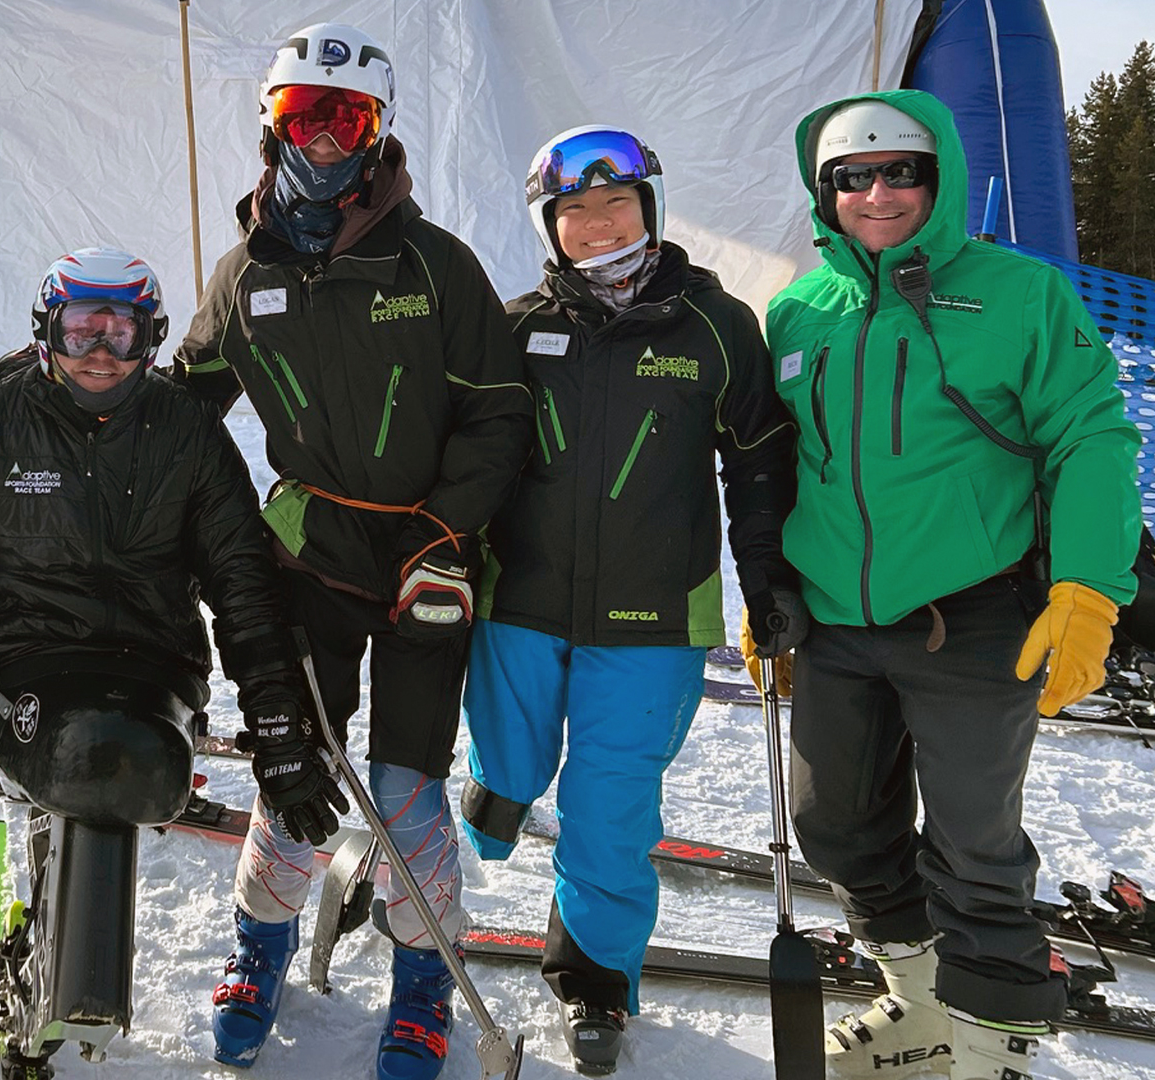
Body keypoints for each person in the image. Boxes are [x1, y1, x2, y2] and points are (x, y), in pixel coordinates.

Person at [754, 90, 1139, 1080]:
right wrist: (772, 590)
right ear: (824, 192)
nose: (877, 194)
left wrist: (1089, 589)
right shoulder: (801, 309)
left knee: (974, 842)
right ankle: (923, 1004)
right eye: (852, 177)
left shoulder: (1019, 294)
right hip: (839, 622)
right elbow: (784, 466)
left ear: (940, 178)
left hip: (973, 615)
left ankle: (994, 1042)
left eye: (901, 172)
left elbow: (1091, 436)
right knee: (834, 824)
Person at [171, 23, 528, 1080]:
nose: (325, 139)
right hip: (311, 558)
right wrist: (67, 392)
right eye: (304, 116)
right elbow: (181, 410)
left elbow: (499, 412)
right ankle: (260, 945)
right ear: (272, 127)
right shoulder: (245, 275)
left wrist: (443, 534)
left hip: (427, 563)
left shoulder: (435, 263)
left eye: (348, 117)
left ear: (377, 130)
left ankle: (422, 982)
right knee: (297, 768)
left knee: (408, 789)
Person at [0, 249, 316, 1072]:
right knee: (81, 753)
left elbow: (242, 583)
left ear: (151, 337)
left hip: (151, 665)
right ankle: (51, 952)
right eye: (82, 329)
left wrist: (277, 717)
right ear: (47, 331)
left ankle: (72, 955)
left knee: (128, 760)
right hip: (26, 659)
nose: (101, 353)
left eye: (123, 332)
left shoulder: (184, 428)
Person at [460, 125, 798, 1072]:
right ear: (550, 225)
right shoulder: (518, 328)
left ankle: (595, 978)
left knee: (610, 807)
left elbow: (759, 462)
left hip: (653, 618)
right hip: (520, 605)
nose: (599, 224)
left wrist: (767, 579)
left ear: (649, 207)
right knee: (511, 770)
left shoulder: (715, 327)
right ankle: (499, 789)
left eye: (617, 203)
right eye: (575, 210)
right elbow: (474, 454)